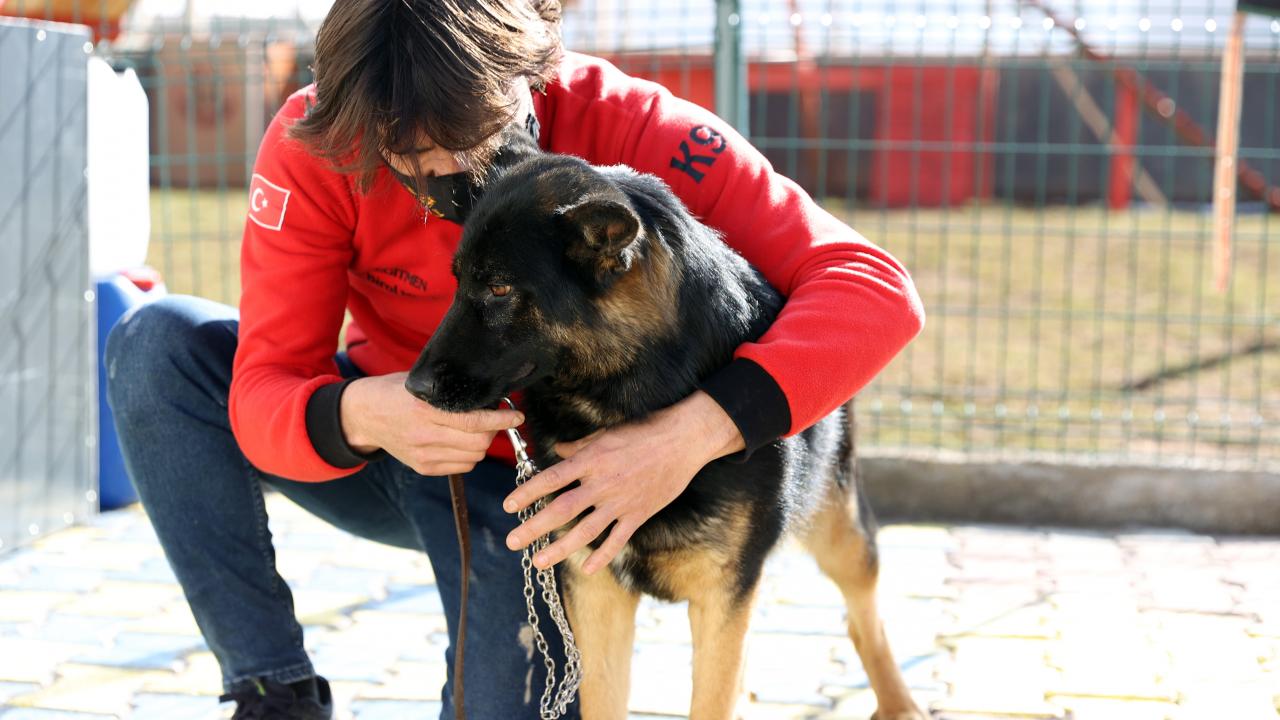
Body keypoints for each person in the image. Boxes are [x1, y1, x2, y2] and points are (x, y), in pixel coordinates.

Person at [105, 1, 925, 718]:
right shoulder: (319, 140)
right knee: (154, 345)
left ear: (527, 73)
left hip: (545, 490)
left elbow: (875, 290)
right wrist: (360, 414)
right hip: (390, 446)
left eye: (472, 143)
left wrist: (691, 437)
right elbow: (261, 391)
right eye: (411, 161)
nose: (447, 178)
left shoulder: (633, 126)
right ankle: (271, 690)